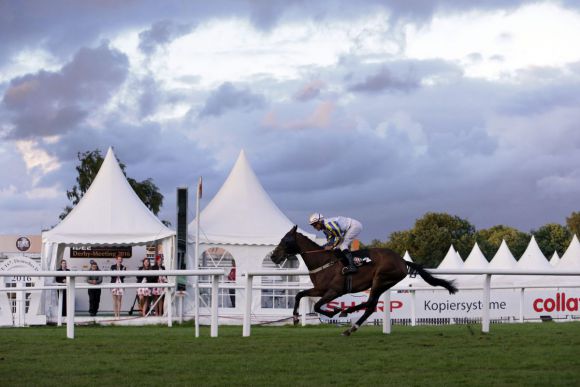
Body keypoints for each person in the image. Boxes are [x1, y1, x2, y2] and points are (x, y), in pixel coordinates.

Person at [110, 254, 126, 319]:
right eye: (118, 259)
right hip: (114, 284)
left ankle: (119, 314)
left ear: (122, 260)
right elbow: (112, 275)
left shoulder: (123, 267)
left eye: (120, 259)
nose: (119, 260)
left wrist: (121, 271)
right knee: (114, 300)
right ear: (116, 260)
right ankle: (115, 314)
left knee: (119, 300)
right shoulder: (112, 266)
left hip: (121, 284)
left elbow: (123, 276)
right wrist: (117, 272)